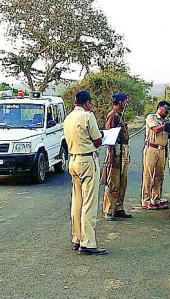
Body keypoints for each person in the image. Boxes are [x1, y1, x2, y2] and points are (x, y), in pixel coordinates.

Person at [63, 90, 107, 255]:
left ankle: (77, 237)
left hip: (73, 159)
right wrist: (102, 135)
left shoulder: (68, 118)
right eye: (91, 103)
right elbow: (97, 141)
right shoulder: (88, 116)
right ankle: (88, 242)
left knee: (77, 201)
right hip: (87, 160)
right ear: (87, 103)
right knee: (89, 201)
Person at [102, 93, 132, 221]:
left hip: (123, 150)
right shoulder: (112, 115)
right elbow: (109, 137)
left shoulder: (120, 115)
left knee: (122, 181)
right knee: (113, 181)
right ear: (119, 102)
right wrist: (111, 155)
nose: (126, 103)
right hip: (116, 151)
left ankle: (118, 208)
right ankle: (108, 210)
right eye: (124, 101)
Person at [141, 101, 170, 210]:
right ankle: (145, 200)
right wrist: (166, 126)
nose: (167, 111)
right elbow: (155, 129)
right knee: (148, 175)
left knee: (159, 176)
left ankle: (156, 199)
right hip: (152, 148)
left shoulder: (167, 120)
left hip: (162, 149)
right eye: (166, 108)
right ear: (160, 108)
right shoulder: (151, 117)